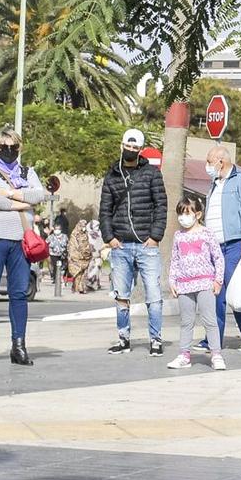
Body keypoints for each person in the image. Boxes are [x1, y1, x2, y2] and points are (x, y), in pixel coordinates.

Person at [0, 124, 47, 367]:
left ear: (20, 148)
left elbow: (40, 195)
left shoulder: (28, 172)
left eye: (13, 146)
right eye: (4, 146)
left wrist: (10, 193)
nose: (8, 150)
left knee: (19, 294)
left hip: (20, 241)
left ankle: (19, 346)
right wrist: (21, 201)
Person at [100, 128, 168, 354]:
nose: (130, 151)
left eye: (135, 148)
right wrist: (109, 237)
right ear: (122, 146)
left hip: (146, 245)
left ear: (140, 150)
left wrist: (155, 236)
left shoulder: (151, 173)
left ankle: (156, 340)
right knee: (121, 295)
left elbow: (161, 205)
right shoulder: (112, 175)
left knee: (154, 296)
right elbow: (105, 210)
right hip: (121, 245)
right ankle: (123, 339)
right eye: (128, 147)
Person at [203, 143, 241, 351]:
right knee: (215, 294)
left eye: (209, 161)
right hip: (213, 246)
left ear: (221, 160)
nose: (207, 166)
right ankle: (213, 338)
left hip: (234, 244)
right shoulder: (214, 182)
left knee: (238, 291)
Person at [166, 193, 224, 370]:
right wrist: (172, 280)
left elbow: (218, 258)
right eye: (180, 213)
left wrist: (218, 280)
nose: (183, 217)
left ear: (198, 214)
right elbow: (175, 260)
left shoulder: (207, 233)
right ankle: (184, 355)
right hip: (184, 285)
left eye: (187, 213)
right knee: (186, 321)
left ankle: (216, 354)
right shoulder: (178, 236)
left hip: (205, 283)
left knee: (209, 320)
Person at [48, 214, 70, 296]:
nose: (57, 231)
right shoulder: (51, 237)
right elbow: (46, 242)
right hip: (53, 254)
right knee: (55, 266)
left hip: (62, 254)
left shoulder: (65, 236)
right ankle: (55, 278)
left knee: (63, 267)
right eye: (55, 229)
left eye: (58, 229)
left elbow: (67, 244)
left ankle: (62, 279)